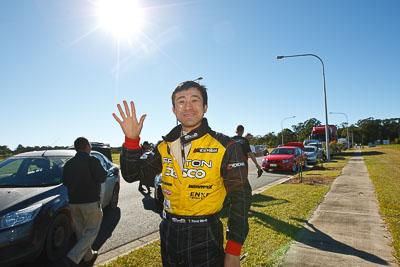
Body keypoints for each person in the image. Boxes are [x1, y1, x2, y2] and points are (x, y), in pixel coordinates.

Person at [113, 81, 252, 266]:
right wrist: (131, 140)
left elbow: (241, 200)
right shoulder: (164, 146)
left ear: (205, 107)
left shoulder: (226, 146)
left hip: (206, 234)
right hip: (169, 231)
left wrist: (233, 252)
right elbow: (132, 175)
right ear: (173, 110)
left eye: (194, 100)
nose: (187, 106)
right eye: (181, 101)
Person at [61, 137, 107, 267]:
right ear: (87, 146)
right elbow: (103, 177)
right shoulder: (93, 160)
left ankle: (88, 257)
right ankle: (72, 257)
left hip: (74, 202)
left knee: (80, 232)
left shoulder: (69, 163)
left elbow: (65, 182)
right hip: (91, 202)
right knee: (92, 231)